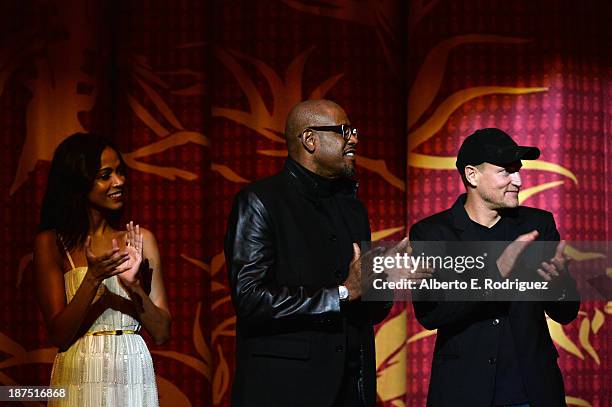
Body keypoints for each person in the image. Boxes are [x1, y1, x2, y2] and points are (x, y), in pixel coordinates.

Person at [225, 99, 415, 407]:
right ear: (310, 139)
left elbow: (367, 308)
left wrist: (379, 280)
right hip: (286, 390)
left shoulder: (352, 207)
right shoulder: (260, 201)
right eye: (344, 131)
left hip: (350, 389)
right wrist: (342, 292)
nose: (354, 139)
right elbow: (250, 299)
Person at [410, 128, 580, 407]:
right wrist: (495, 272)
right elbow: (431, 313)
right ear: (472, 175)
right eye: (506, 172)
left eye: (518, 171)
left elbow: (566, 313)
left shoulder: (538, 225)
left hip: (532, 392)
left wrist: (560, 285)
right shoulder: (432, 234)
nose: (518, 181)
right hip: (463, 391)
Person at [33, 133, 171, 406]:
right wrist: (93, 278)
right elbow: (59, 334)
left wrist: (134, 289)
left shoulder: (141, 241)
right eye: (105, 175)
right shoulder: (51, 243)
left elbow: (162, 332)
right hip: (80, 372)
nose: (118, 182)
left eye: (120, 172)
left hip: (133, 370)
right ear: (78, 182)